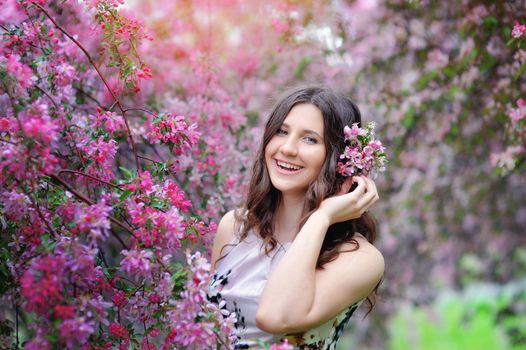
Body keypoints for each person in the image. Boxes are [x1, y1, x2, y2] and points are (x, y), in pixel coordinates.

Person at [209, 85, 385, 349]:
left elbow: (275, 316)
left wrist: (322, 218)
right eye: (282, 131)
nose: (288, 148)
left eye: (310, 139)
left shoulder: (359, 257)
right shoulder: (235, 227)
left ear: (340, 159)